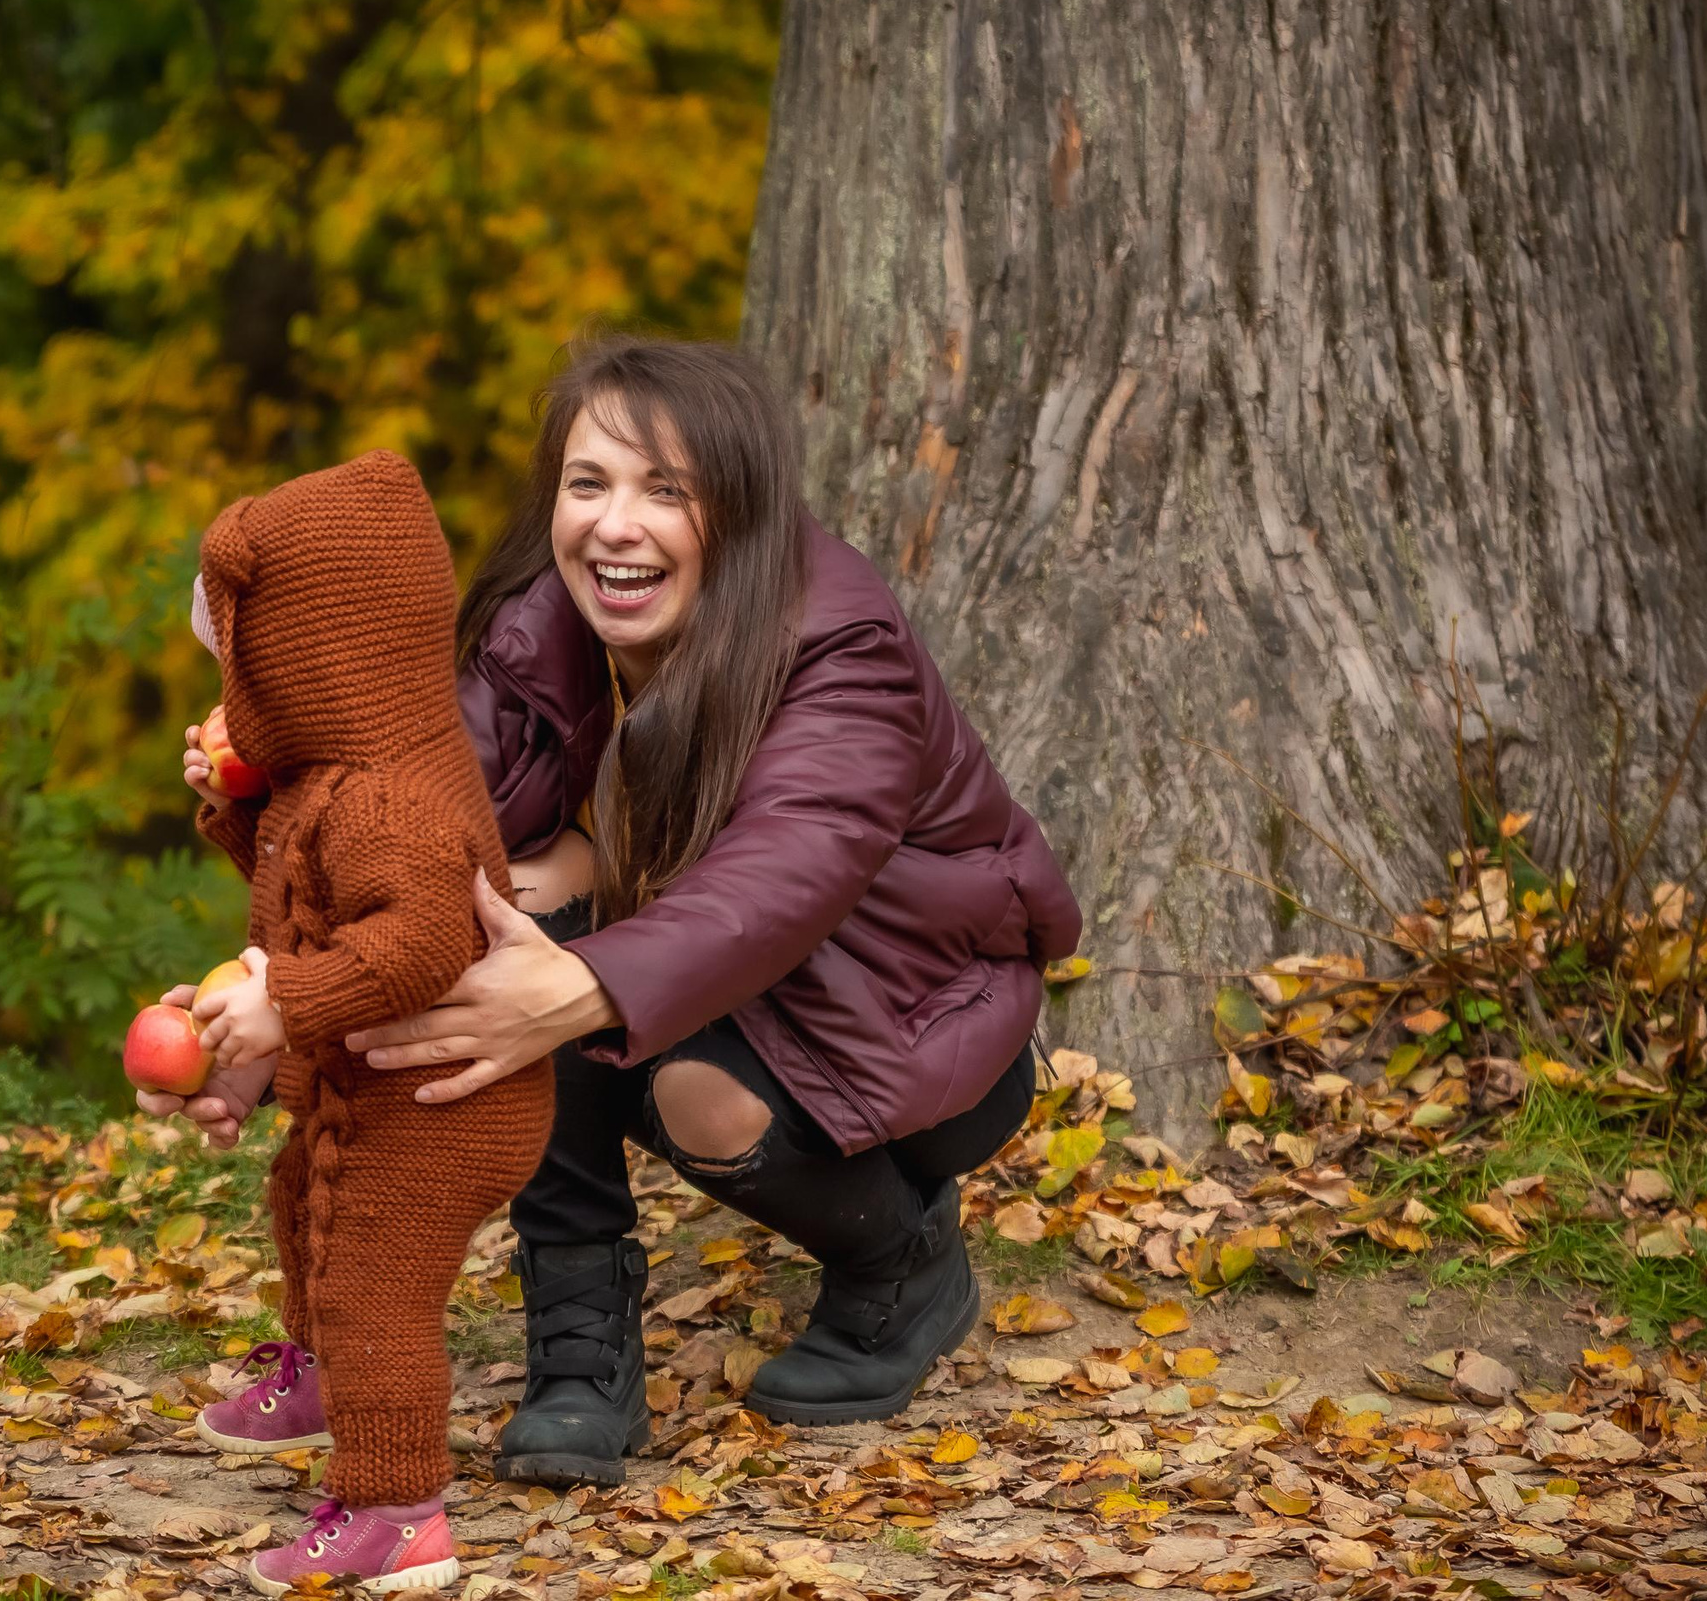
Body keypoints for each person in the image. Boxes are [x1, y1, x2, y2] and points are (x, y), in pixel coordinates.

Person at [149, 336, 1080, 1487]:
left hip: (906, 1017)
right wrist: (261, 1013)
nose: (614, 525)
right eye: (588, 485)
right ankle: (580, 1345)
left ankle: (902, 1263)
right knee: (492, 942)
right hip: (703, 973)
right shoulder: (538, 637)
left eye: (665, 490)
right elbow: (417, 861)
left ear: (736, 509)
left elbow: (784, 877)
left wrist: (575, 985)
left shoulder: (841, 645)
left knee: (664, 1068)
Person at [143, 453, 551, 1595]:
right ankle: (322, 1372)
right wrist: (240, 816)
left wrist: (282, 1002)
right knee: (300, 1201)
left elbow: (416, 945)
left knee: (375, 1283)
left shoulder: (383, 796)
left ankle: (396, 1510)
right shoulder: (333, 775)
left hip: (446, 1100)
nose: (230, 700)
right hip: (379, 1079)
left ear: (309, 662)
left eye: (242, 672)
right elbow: (308, 903)